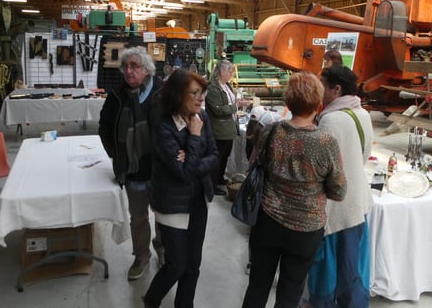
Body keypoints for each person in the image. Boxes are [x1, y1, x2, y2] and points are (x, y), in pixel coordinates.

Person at [242, 71, 347, 308]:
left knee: (257, 285)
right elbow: (339, 192)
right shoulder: (326, 143)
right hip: (305, 229)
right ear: (318, 103)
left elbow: (257, 164)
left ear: (288, 102)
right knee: (290, 293)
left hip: (267, 220)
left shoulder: (270, 131)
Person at [143, 69, 219, 308]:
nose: (201, 98)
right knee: (176, 265)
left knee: (193, 265)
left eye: (202, 92)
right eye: (194, 93)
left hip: (198, 200)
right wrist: (194, 138)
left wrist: (191, 159)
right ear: (178, 95)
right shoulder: (163, 125)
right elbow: (183, 173)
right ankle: (151, 300)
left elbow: (214, 156)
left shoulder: (202, 117)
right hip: (172, 204)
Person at [303, 65, 374, 308]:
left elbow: (321, 167)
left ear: (336, 89)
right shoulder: (362, 114)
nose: (318, 91)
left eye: (322, 85)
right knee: (353, 267)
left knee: (327, 268)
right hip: (358, 202)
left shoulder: (330, 120)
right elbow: (364, 155)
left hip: (334, 208)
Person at [98, 47, 165, 281]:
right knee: (138, 217)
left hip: (160, 169)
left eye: (134, 66)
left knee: (163, 214)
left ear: (146, 70)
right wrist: (116, 154)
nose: (128, 71)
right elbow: (104, 126)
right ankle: (141, 256)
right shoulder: (117, 95)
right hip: (132, 170)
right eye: (125, 67)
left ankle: (162, 248)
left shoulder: (162, 93)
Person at [205, 60, 249, 196]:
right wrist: (236, 106)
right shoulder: (213, 88)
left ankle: (219, 178)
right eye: (230, 72)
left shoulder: (226, 85)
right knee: (217, 157)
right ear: (221, 72)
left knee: (225, 155)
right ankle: (212, 185)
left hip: (229, 127)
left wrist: (237, 103)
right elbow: (218, 110)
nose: (231, 75)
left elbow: (229, 103)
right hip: (219, 129)